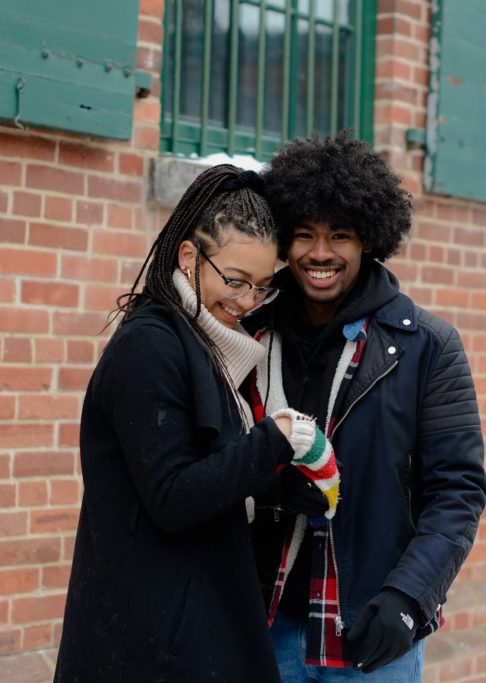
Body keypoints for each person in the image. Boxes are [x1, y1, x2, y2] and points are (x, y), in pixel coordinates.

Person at [54, 164, 337, 682]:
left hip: (185, 632)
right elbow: (173, 496)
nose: (248, 301)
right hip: (146, 647)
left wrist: (276, 488)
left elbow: (208, 470)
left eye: (263, 287)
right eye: (235, 280)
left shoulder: (204, 346)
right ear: (189, 256)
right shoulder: (150, 346)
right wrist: (271, 442)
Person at [247, 134, 486, 680]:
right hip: (260, 624)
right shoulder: (249, 335)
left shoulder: (428, 346)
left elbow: (457, 492)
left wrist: (408, 599)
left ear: (369, 240)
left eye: (340, 235)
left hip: (370, 635)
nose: (320, 253)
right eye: (304, 234)